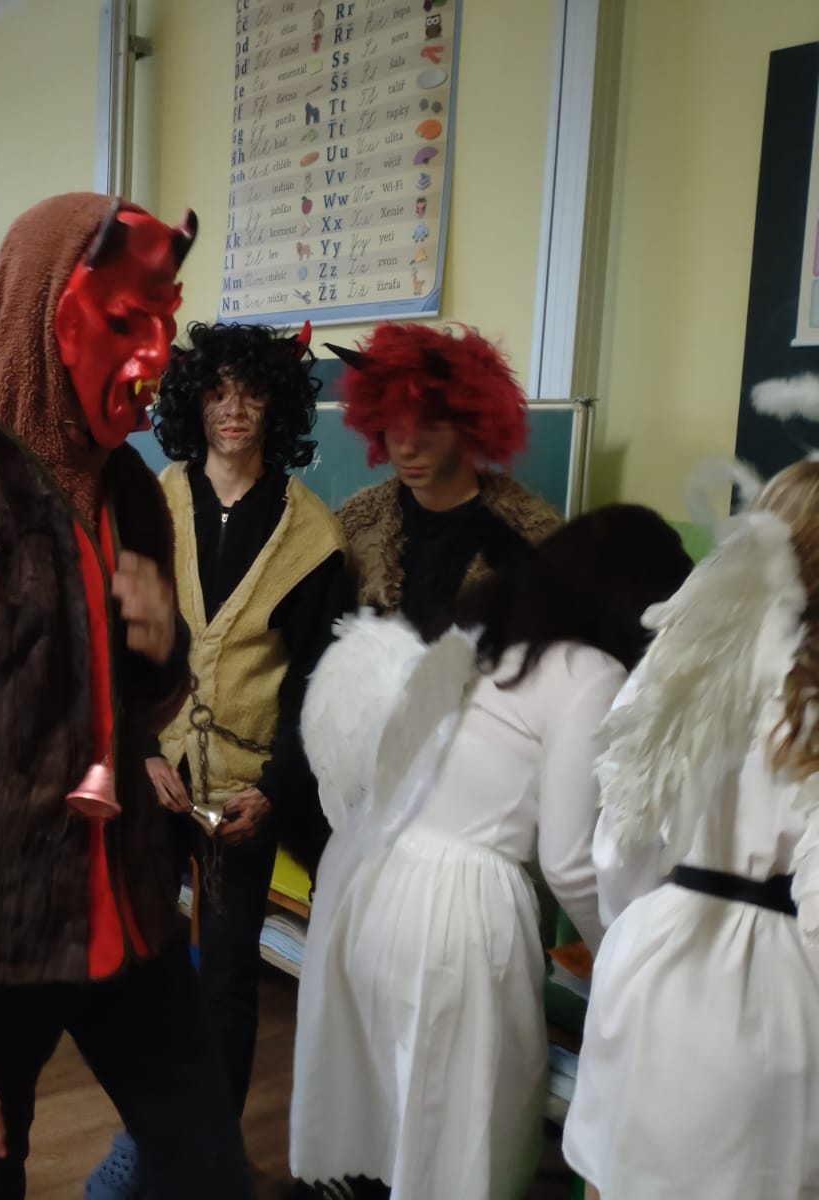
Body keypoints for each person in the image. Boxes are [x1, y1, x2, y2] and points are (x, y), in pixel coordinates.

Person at [0, 193, 256, 1200]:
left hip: (134, 921)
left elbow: (144, 705)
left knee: (211, 1173)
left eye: (160, 320)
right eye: (122, 319)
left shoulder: (136, 497)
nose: (152, 354)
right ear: (42, 317)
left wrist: (161, 647)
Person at [289, 505, 692, 1200]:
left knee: (388, 1105)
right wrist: (625, 958)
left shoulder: (479, 633)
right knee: (454, 1127)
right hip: (455, 909)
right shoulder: (588, 673)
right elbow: (569, 860)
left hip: (372, 876)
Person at [85, 321, 351, 1199]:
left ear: (277, 407)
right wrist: (140, 751)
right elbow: (112, 642)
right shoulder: (148, 504)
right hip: (154, 776)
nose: (233, 410)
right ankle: (145, 1136)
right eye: (217, 392)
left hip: (249, 790)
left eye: (251, 393)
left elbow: (317, 684)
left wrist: (273, 790)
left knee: (230, 983)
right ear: (193, 404)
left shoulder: (314, 537)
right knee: (143, 964)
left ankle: (208, 1157)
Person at [564, 460, 819, 1199]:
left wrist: (637, 928)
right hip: (777, 995)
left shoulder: (678, 660)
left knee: (616, 1170)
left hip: (653, 959)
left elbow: (621, 838)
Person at [329, 323, 561, 640]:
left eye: (430, 425)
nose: (408, 446)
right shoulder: (355, 525)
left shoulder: (533, 537)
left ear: (470, 428)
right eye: (394, 424)